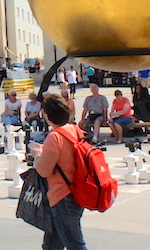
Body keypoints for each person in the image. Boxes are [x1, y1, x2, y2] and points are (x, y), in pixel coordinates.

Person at [32, 93, 89, 250]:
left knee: (75, 244)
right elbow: (66, 156)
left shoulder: (54, 137)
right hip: (76, 191)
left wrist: (37, 155)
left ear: (47, 115)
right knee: (51, 245)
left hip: (62, 197)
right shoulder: (74, 130)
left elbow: (44, 171)